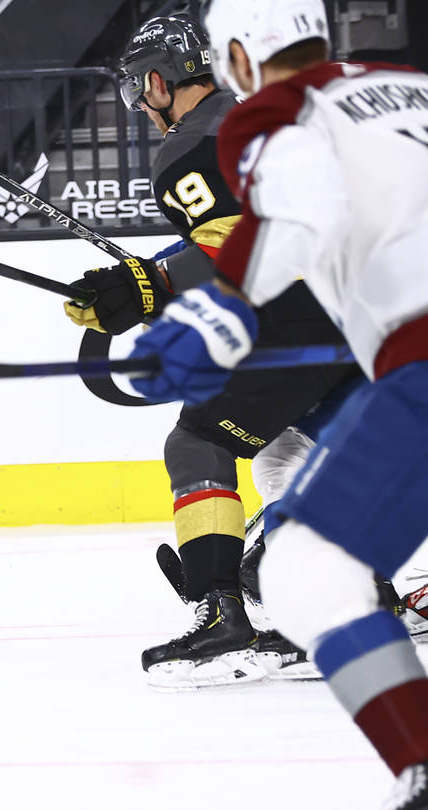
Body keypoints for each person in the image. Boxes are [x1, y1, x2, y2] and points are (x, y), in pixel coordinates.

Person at [130, 1, 428, 804]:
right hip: (388, 361)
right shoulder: (405, 86)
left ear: (237, 54)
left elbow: (296, 218)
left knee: (304, 575)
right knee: (305, 483)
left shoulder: (270, 113)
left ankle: (420, 762)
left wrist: (213, 313)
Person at [63, 13, 359, 689]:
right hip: (365, 313)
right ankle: (349, 603)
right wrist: (151, 282)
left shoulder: (192, 146)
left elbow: (240, 245)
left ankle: (221, 615)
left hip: (307, 326)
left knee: (198, 442)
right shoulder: (268, 115)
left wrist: (152, 284)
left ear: (161, 81)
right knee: (293, 455)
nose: (141, 100)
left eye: (142, 86)